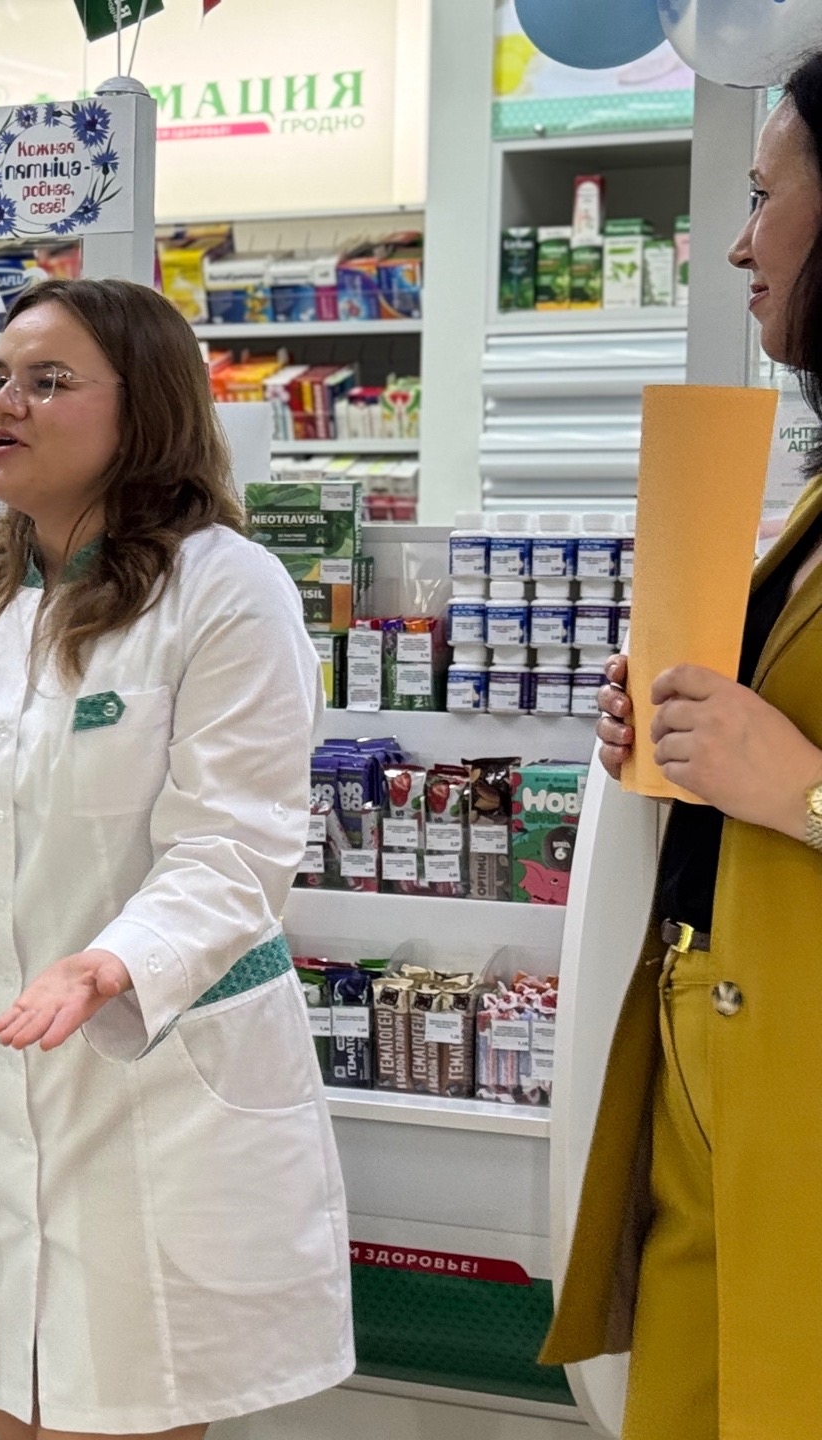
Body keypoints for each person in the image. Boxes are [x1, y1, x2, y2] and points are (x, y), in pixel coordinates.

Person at [0, 277, 352, 1440]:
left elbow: (234, 845)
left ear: (143, 411)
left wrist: (112, 961)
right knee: (23, 1404)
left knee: (129, 1407)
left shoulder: (225, 589)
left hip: (152, 1077)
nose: (4, 405)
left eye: (47, 382)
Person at [544, 61, 822, 1439]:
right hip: (716, 1057)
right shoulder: (814, 496)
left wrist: (801, 789)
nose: (736, 242)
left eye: (765, 197)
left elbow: (797, 778)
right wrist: (672, 746)